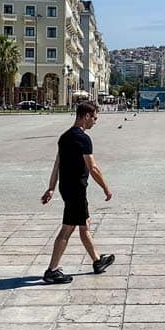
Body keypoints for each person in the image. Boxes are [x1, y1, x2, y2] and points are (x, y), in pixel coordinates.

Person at [40, 101, 114, 284]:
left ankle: (97, 261)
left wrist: (51, 187)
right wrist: (105, 187)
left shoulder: (64, 137)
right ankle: (52, 270)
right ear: (86, 116)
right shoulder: (83, 139)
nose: (95, 122)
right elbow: (93, 167)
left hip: (67, 187)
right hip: (76, 190)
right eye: (94, 117)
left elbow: (57, 164)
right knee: (67, 229)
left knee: (84, 224)